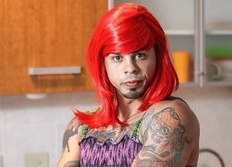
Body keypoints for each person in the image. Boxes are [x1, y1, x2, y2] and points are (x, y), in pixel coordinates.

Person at [56, 2, 200, 167]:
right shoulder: (81, 127)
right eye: (117, 58)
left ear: (157, 57)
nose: (130, 68)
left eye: (140, 55)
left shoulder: (168, 117)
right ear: (103, 63)